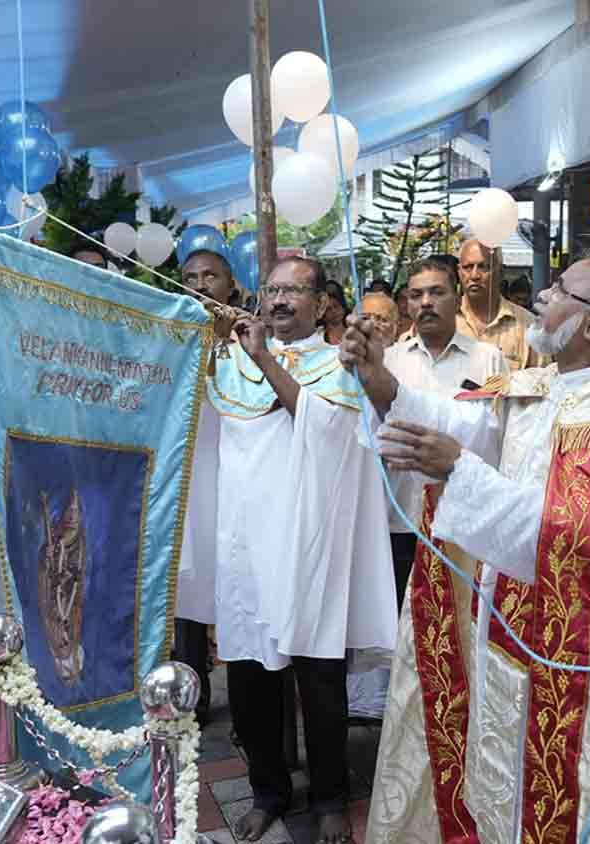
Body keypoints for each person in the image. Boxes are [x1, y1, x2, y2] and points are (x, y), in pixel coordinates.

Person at [345, 258, 590, 844]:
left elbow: (574, 544)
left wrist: (457, 471)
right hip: (511, 632)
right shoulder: (546, 384)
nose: (545, 294)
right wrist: (382, 380)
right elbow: (474, 426)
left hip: (576, 657)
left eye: (561, 290)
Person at [211, 257, 397, 843]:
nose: (281, 300)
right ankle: (268, 789)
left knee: (319, 681)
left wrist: (265, 358)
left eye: (295, 291)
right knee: (248, 678)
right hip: (245, 544)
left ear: (322, 305)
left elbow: (324, 433)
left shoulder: (340, 363)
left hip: (310, 544)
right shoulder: (228, 361)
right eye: (273, 289)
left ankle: (329, 797)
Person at [379, 257, 506, 605]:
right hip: (401, 520)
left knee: (462, 630)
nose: (426, 303)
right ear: (406, 302)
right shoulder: (388, 362)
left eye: (437, 292)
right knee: (402, 635)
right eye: (417, 295)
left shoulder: (488, 359)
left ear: (457, 297)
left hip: (467, 521)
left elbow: (500, 436)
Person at [170, 245, 243, 725]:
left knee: (241, 593)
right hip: (191, 487)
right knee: (188, 594)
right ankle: (191, 697)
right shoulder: (168, 347)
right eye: (191, 277)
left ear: (231, 287)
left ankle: (250, 709)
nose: (199, 285)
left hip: (240, 484)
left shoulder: (255, 345)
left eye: (210, 276)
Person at [456, 238, 543, 370]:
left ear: (501, 272)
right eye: (467, 267)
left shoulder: (528, 325)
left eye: (484, 267)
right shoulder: (443, 319)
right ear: (459, 272)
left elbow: (542, 383)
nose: (474, 275)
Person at [320, 279, 351, 345]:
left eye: (336, 306)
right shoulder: (316, 337)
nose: (334, 311)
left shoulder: (355, 332)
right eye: (328, 309)